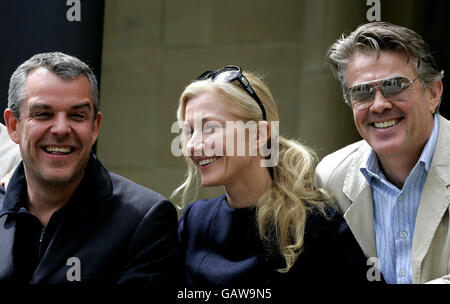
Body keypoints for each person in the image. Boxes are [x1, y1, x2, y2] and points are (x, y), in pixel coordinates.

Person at [173, 65, 379, 288]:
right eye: (189, 131)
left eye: (210, 128)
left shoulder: (316, 225)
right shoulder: (194, 222)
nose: (193, 145)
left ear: (260, 134)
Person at [0, 52, 179, 284]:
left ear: (95, 127)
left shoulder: (144, 218)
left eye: (77, 115)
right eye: (43, 114)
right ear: (14, 125)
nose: (62, 129)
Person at [316, 22, 449, 284]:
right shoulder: (330, 178)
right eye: (362, 92)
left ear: (433, 93)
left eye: (395, 86)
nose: (378, 105)